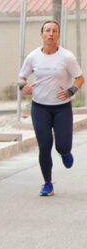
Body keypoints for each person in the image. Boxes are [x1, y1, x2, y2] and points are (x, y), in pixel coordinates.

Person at [19, 20, 84, 196]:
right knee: (45, 144)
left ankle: (65, 152)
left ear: (58, 35)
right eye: (47, 30)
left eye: (54, 31)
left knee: (62, 146)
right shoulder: (33, 56)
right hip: (40, 107)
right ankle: (47, 183)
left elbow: (80, 78)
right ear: (41, 35)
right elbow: (21, 77)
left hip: (62, 108)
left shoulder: (67, 57)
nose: (51, 34)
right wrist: (23, 87)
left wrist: (71, 90)